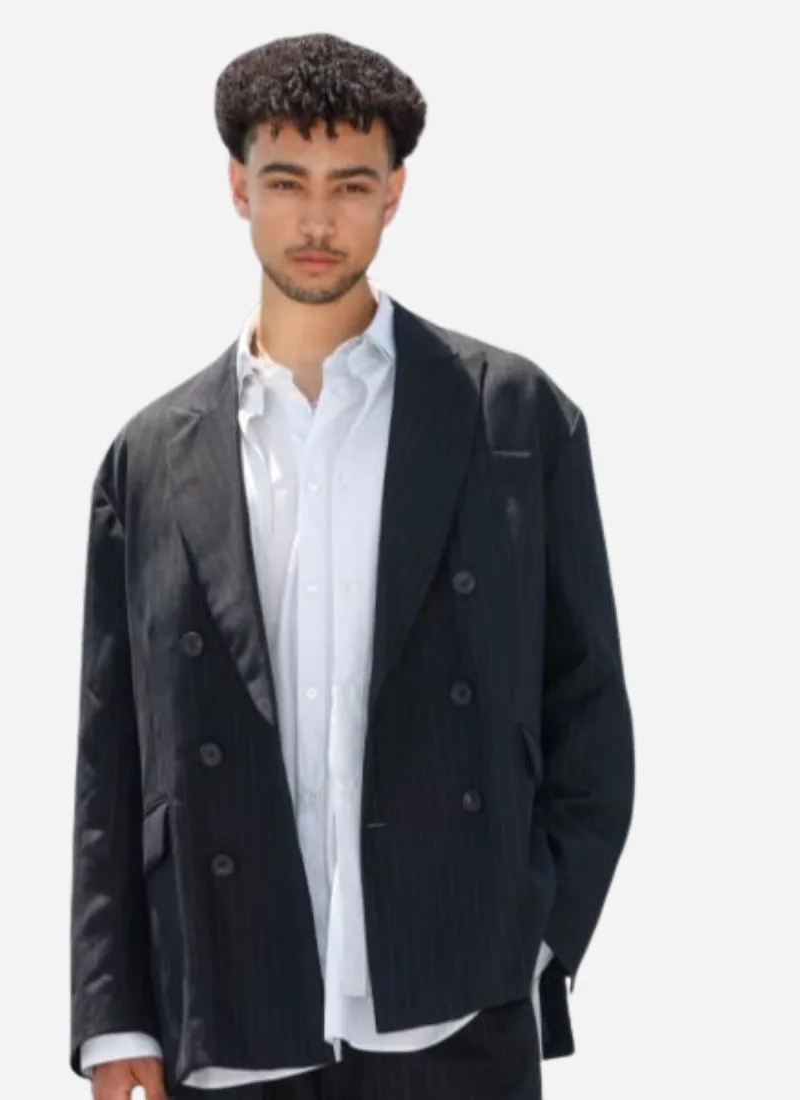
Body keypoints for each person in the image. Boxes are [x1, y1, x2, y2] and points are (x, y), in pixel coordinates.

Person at [69, 31, 634, 1100]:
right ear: (238, 187)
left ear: (395, 194)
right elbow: (114, 760)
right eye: (287, 182)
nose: (318, 221)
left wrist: (535, 939)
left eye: (352, 185)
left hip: (457, 1005)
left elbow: (588, 707)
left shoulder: (513, 417)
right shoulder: (148, 458)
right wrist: (114, 1012)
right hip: (227, 1009)